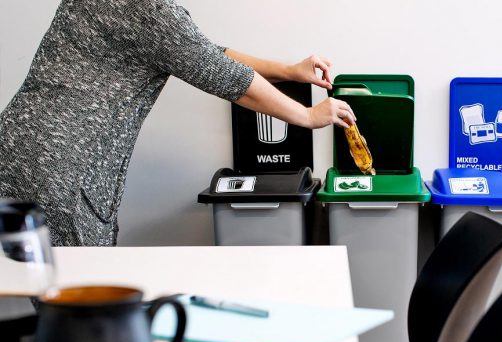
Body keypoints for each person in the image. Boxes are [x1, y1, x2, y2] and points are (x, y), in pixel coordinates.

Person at [0, 0, 356, 246]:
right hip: (65, 170)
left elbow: (195, 50)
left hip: (15, 150)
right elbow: (220, 74)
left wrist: (288, 71)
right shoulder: (149, 10)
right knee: (81, 313)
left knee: (39, 294)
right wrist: (308, 116)